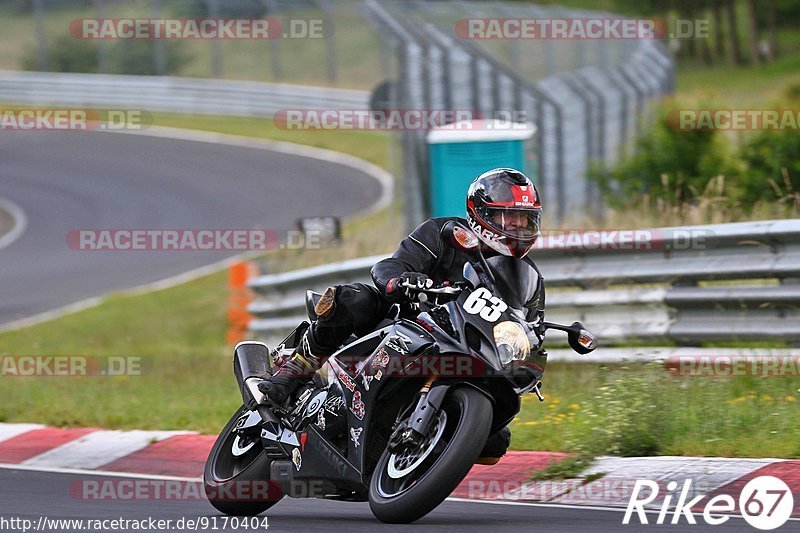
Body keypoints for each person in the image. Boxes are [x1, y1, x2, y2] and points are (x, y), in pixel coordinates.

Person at [258, 167, 545, 463]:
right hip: (404, 321)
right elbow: (389, 267)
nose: (516, 226)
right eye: (508, 216)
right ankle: (295, 369)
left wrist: (530, 352)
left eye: (524, 218)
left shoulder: (527, 278)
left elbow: (530, 328)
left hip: (463, 349)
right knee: (353, 299)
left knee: (495, 443)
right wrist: (403, 280)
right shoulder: (445, 233)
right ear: (482, 212)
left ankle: (424, 451)